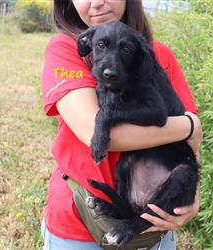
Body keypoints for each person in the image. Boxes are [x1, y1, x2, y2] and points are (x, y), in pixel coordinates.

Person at [40, 0, 203, 249]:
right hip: (78, 224)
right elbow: (93, 131)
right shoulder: (65, 49)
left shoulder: (157, 54)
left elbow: (190, 143)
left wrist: (190, 195)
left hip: (154, 223)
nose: (97, 3)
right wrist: (189, 125)